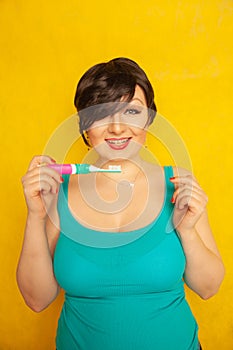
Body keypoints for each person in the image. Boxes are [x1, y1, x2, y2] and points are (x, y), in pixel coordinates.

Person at [17, 57, 225, 350]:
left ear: (149, 120)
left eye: (132, 111)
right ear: (85, 127)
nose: (117, 128)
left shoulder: (178, 184)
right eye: (102, 114)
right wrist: (36, 215)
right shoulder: (58, 191)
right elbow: (37, 300)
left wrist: (188, 230)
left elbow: (208, 288)